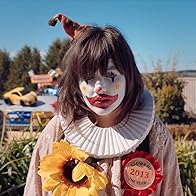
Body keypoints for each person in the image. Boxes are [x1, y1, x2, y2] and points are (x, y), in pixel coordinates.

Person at [24, 13, 183, 196]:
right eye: (88, 77)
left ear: (129, 77)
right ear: (76, 82)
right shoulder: (57, 131)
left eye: (111, 75)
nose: (99, 88)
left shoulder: (155, 135)